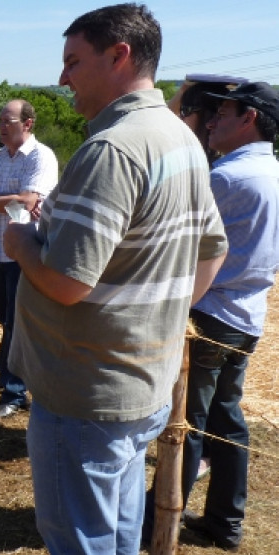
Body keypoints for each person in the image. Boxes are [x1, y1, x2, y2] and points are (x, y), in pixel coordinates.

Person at [1, 4, 228, 554]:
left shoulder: (112, 149)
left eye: (73, 61)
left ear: (118, 56)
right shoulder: (180, 139)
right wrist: (158, 321)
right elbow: (213, 249)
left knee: (80, 540)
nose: (62, 78)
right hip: (141, 382)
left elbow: (66, 282)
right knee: (120, 533)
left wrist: (19, 244)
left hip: (86, 392)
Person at [176, 82, 279, 551]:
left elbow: (180, 242)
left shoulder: (226, 178)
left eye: (224, 112)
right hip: (248, 314)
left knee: (188, 422)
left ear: (250, 117)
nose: (212, 120)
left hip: (209, 313)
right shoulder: (273, 172)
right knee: (227, 419)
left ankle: (164, 512)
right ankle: (226, 523)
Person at [0, 99, 58, 418]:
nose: (2, 126)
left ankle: (15, 392)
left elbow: (30, 200)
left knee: (18, 321)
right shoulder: (0, 157)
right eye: (1, 121)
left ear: (27, 124)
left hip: (27, 251)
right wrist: (8, 200)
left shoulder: (41, 156)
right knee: (3, 317)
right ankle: (9, 372)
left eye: (9, 121)